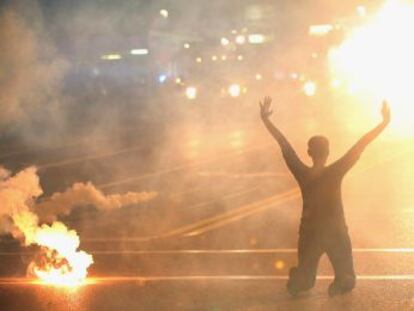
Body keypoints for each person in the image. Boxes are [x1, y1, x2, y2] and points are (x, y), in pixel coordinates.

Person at [259, 96, 390, 296]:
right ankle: (337, 280)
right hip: (336, 232)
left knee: (303, 284)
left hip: (310, 234)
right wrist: (384, 122)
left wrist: (267, 120)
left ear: (309, 152)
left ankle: (302, 276)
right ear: (328, 151)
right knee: (347, 280)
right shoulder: (336, 171)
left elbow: (284, 145)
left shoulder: (302, 173)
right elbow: (361, 144)